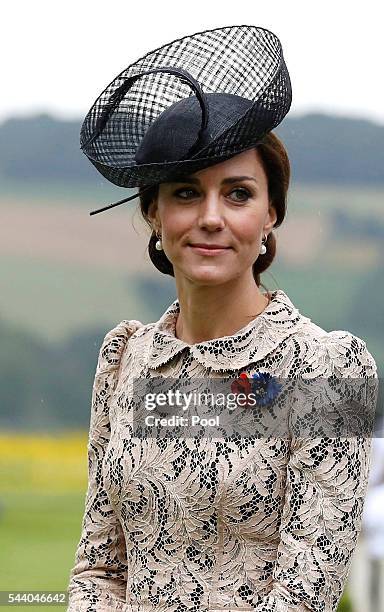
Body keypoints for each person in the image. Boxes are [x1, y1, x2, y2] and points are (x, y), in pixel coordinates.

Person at [66, 25, 378, 611]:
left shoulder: (327, 368)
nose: (211, 217)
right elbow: (100, 567)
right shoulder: (125, 359)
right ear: (154, 212)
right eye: (187, 192)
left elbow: (305, 592)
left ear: (271, 216)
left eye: (237, 194)